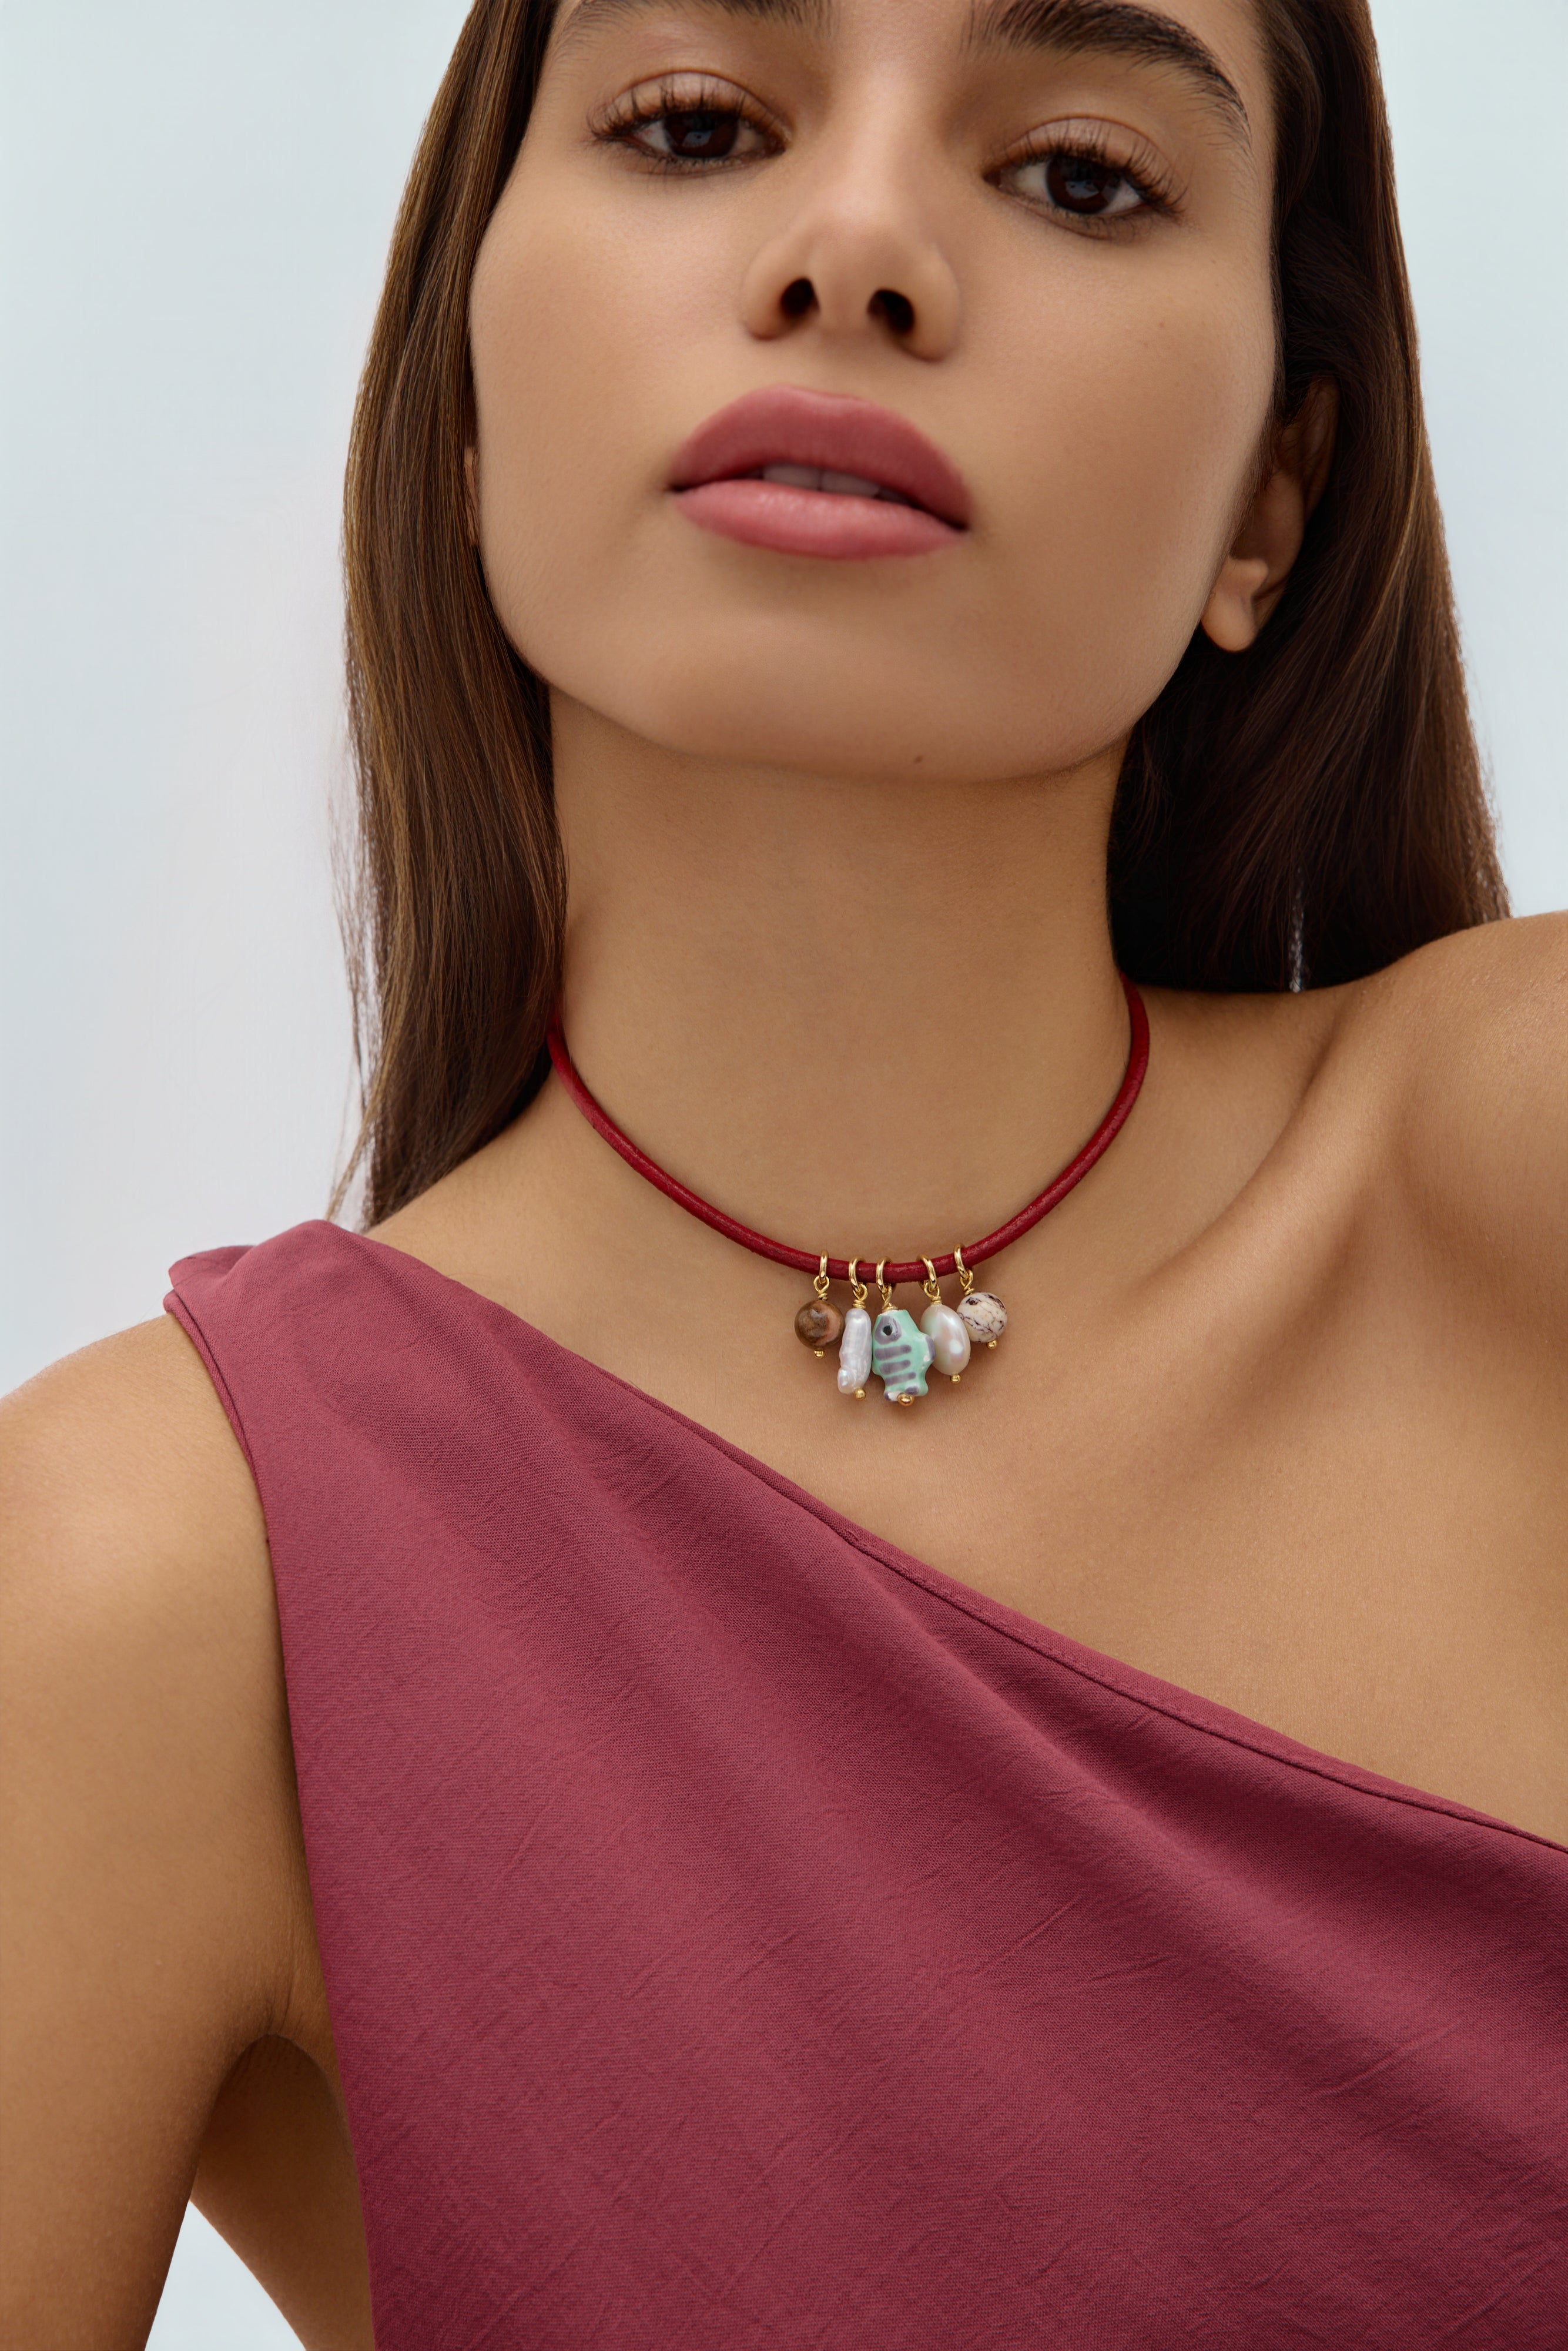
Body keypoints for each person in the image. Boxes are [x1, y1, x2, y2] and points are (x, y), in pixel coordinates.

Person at [3, 0, 1563, 2342]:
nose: (858, 248)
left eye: (1075, 176)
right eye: (700, 122)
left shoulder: (1515, 1173)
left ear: (1273, 499)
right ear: (458, 404)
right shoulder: (149, 1589)